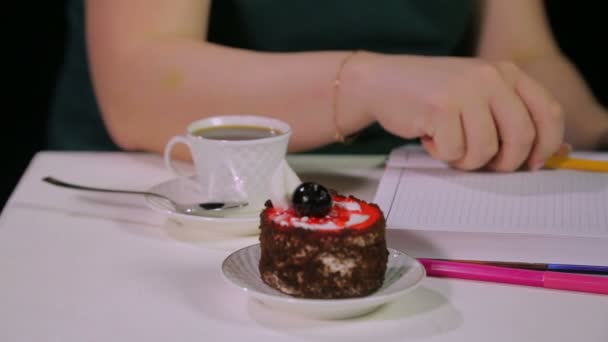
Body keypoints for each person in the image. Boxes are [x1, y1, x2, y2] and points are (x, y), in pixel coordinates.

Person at [49, 0, 608, 172]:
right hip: (181, 192)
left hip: (411, 198)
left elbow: (522, 55)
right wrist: (370, 83)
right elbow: (140, 87)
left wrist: (593, 126)